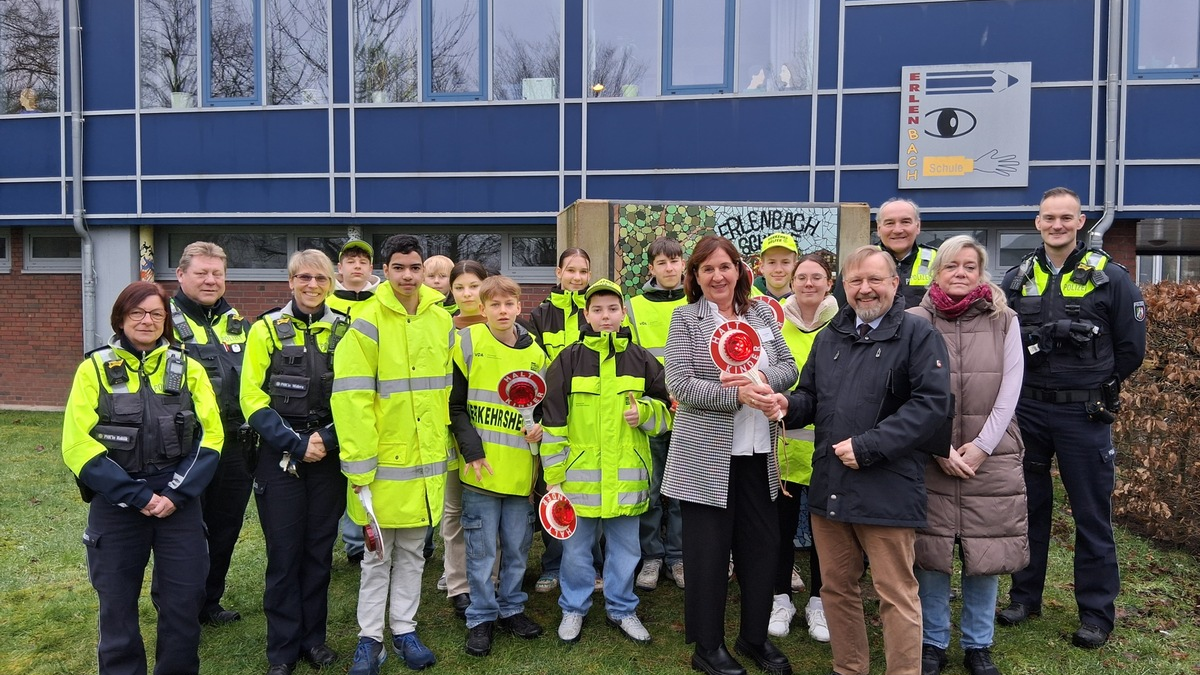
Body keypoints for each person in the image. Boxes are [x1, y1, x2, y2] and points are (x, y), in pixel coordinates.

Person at [775, 245, 952, 675]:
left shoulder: (918, 335)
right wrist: (785, 404)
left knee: (895, 593)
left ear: (895, 284)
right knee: (836, 589)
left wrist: (869, 446)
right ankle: (849, 669)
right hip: (831, 485)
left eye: (875, 279)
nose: (865, 289)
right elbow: (812, 398)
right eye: (855, 281)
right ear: (845, 287)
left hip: (887, 487)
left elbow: (931, 406)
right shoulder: (830, 337)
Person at [998, 187, 1147, 649]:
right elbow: (1001, 341)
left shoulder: (1112, 277)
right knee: (1028, 509)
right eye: (1048, 218)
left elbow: (1131, 349)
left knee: (1091, 515)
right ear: (1037, 223)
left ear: (1080, 221)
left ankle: (1097, 614)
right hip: (1029, 410)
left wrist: (1095, 383)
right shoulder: (1017, 276)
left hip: (1084, 412)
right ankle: (1025, 597)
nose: (1057, 225)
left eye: (1066, 217)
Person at [62, 281, 223, 675]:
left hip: (177, 502)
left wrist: (175, 494)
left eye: (156, 314)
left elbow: (212, 436)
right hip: (117, 505)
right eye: (137, 313)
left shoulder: (189, 368)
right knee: (116, 607)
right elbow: (76, 444)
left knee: (183, 603)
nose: (147, 320)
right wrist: (137, 496)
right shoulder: (94, 369)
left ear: (166, 320)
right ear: (121, 317)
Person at [662, 235, 799, 675]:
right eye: (707, 269)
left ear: (740, 270)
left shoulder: (760, 314)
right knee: (709, 556)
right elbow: (680, 384)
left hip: (760, 455)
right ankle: (708, 646)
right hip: (706, 457)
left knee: (763, 548)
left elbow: (789, 367)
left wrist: (763, 386)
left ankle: (754, 637)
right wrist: (739, 396)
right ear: (695, 277)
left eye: (725, 267)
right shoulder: (685, 319)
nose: (717, 276)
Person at [332, 235, 453, 675]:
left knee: (414, 554)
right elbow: (352, 397)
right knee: (376, 556)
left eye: (415, 267)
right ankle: (370, 638)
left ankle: (404, 628)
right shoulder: (366, 319)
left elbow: (443, 392)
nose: (407, 275)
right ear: (386, 270)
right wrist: (360, 463)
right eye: (399, 267)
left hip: (425, 463)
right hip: (382, 464)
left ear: (424, 271)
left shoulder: (441, 320)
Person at [907, 236, 1028, 675]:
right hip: (929, 455)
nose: (961, 273)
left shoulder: (1004, 319)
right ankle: (933, 642)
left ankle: (979, 645)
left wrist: (981, 447)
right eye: (952, 265)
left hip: (991, 455)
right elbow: (907, 390)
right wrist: (938, 447)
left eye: (970, 266)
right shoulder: (914, 320)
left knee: (985, 554)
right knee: (932, 553)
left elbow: (1010, 389)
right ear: (937, 271)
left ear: (981, 273)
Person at [542, 278, 672, 644]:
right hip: (578, 481)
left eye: (612, 309)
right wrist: (553, 478)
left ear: (623, 312)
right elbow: (553, 423)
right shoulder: (567, 359)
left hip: (626, 479)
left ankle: (622, 607)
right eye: (597, 309)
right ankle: (573, 607)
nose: (605, 316)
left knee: (627, 550)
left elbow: (667, 414)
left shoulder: (643, 358)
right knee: (576, 551)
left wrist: (644, 413)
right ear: (587, 314)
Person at [241, 250, 349, 675]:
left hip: (329, 452)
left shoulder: (346, 330)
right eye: (304, 278)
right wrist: (296, 443)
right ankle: (282, 651)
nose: (312, 286)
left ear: (331, 284)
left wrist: (327, 438)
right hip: (280, 454)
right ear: (290, 282)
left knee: (319, 552)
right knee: (284, 555)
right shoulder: (266, 329)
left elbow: (359, 395)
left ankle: (314, 641)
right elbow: (251, 397)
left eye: (320, 279)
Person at [449, 275, 548, 657]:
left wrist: (540, 427)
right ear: (482, 308)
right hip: (480, 471)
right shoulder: (467, 344)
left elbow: (540, 406)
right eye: (494, 305)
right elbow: (455, 406)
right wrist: (472, 451)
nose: (502, 311)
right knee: (481, 549)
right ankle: (481, 616)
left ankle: (511, 608)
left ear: (519, 306)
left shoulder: (536, 353)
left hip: (521, 472)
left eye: (509, 304)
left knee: (518, 546)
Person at [170, 241, 252, 626]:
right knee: (185, 532)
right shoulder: (162, 320)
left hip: (235, 445)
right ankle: (179, 608)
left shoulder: (239, 322)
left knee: (225, 527)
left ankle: (209, 601)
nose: (210, 280)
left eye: (217, 273)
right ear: (181, 274)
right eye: (201, 272)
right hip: (185, 446)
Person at [768, 253, 838, 642]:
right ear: (791, 284)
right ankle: (780, 597)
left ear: (829, 283)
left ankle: (819, 601)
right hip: (782, 451)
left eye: (817, 277)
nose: (808, 283)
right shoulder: (774, 324)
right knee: (778, 531)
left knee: (826, 534)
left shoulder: (843, 325)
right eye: (801, 278)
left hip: (829, 451)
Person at [526, 247, 595, 593]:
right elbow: (532, 371)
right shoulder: (539, 316)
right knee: (552, 490)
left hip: (589, 417)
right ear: (558, 273)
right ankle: (552, 565)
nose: (577, 277)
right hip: (551, 417)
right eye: (571, 270)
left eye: (584, 271)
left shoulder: (595, 311)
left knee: (590, 489)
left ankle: (591, 565)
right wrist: (536, 416)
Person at [628, 237, 688, 592]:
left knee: (681, 488)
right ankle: (651, 556)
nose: (669, 268)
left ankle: (678, 556)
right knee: (649, 488)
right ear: (651, 268)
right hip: (652, 409)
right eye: (662, 262)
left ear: (683, 265)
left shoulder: (698, 302)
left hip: (691, 409)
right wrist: (661, 394)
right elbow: (633, 358)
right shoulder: (632, 306)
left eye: (675, 261)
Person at [438, 259, 490, 619]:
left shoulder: (503, 325)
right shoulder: (442, 329)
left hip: (492, 437)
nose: (467, 294)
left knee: (489, 512)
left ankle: (490, 577)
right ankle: (457, 580)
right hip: (450, 430)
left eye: (474, 286)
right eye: (460, 287)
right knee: (454, 510)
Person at [327, 239, 378, 567]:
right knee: (338, 479)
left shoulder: (383, 303)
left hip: (375, 398)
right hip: (330, 398)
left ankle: (363, 540)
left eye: (363, 261)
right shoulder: (326, 303)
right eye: (350, 260)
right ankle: (346, 539)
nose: (357, 266)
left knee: (365, 476)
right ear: (340, 267)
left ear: (372, 268)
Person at [833, 198, 937, 310]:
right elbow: (840, 313)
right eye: (890, 223)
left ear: (918, 226)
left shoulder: (939, 260)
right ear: (878, 228)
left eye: (905, 222)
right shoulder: (857, 261)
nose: (897, 230)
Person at [753, 233, 799, 301]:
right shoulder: (745, 298)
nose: (778, 269)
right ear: (762, 266)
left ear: (795, 267)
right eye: (772, 262)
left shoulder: (803, 300)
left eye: (785, 262)